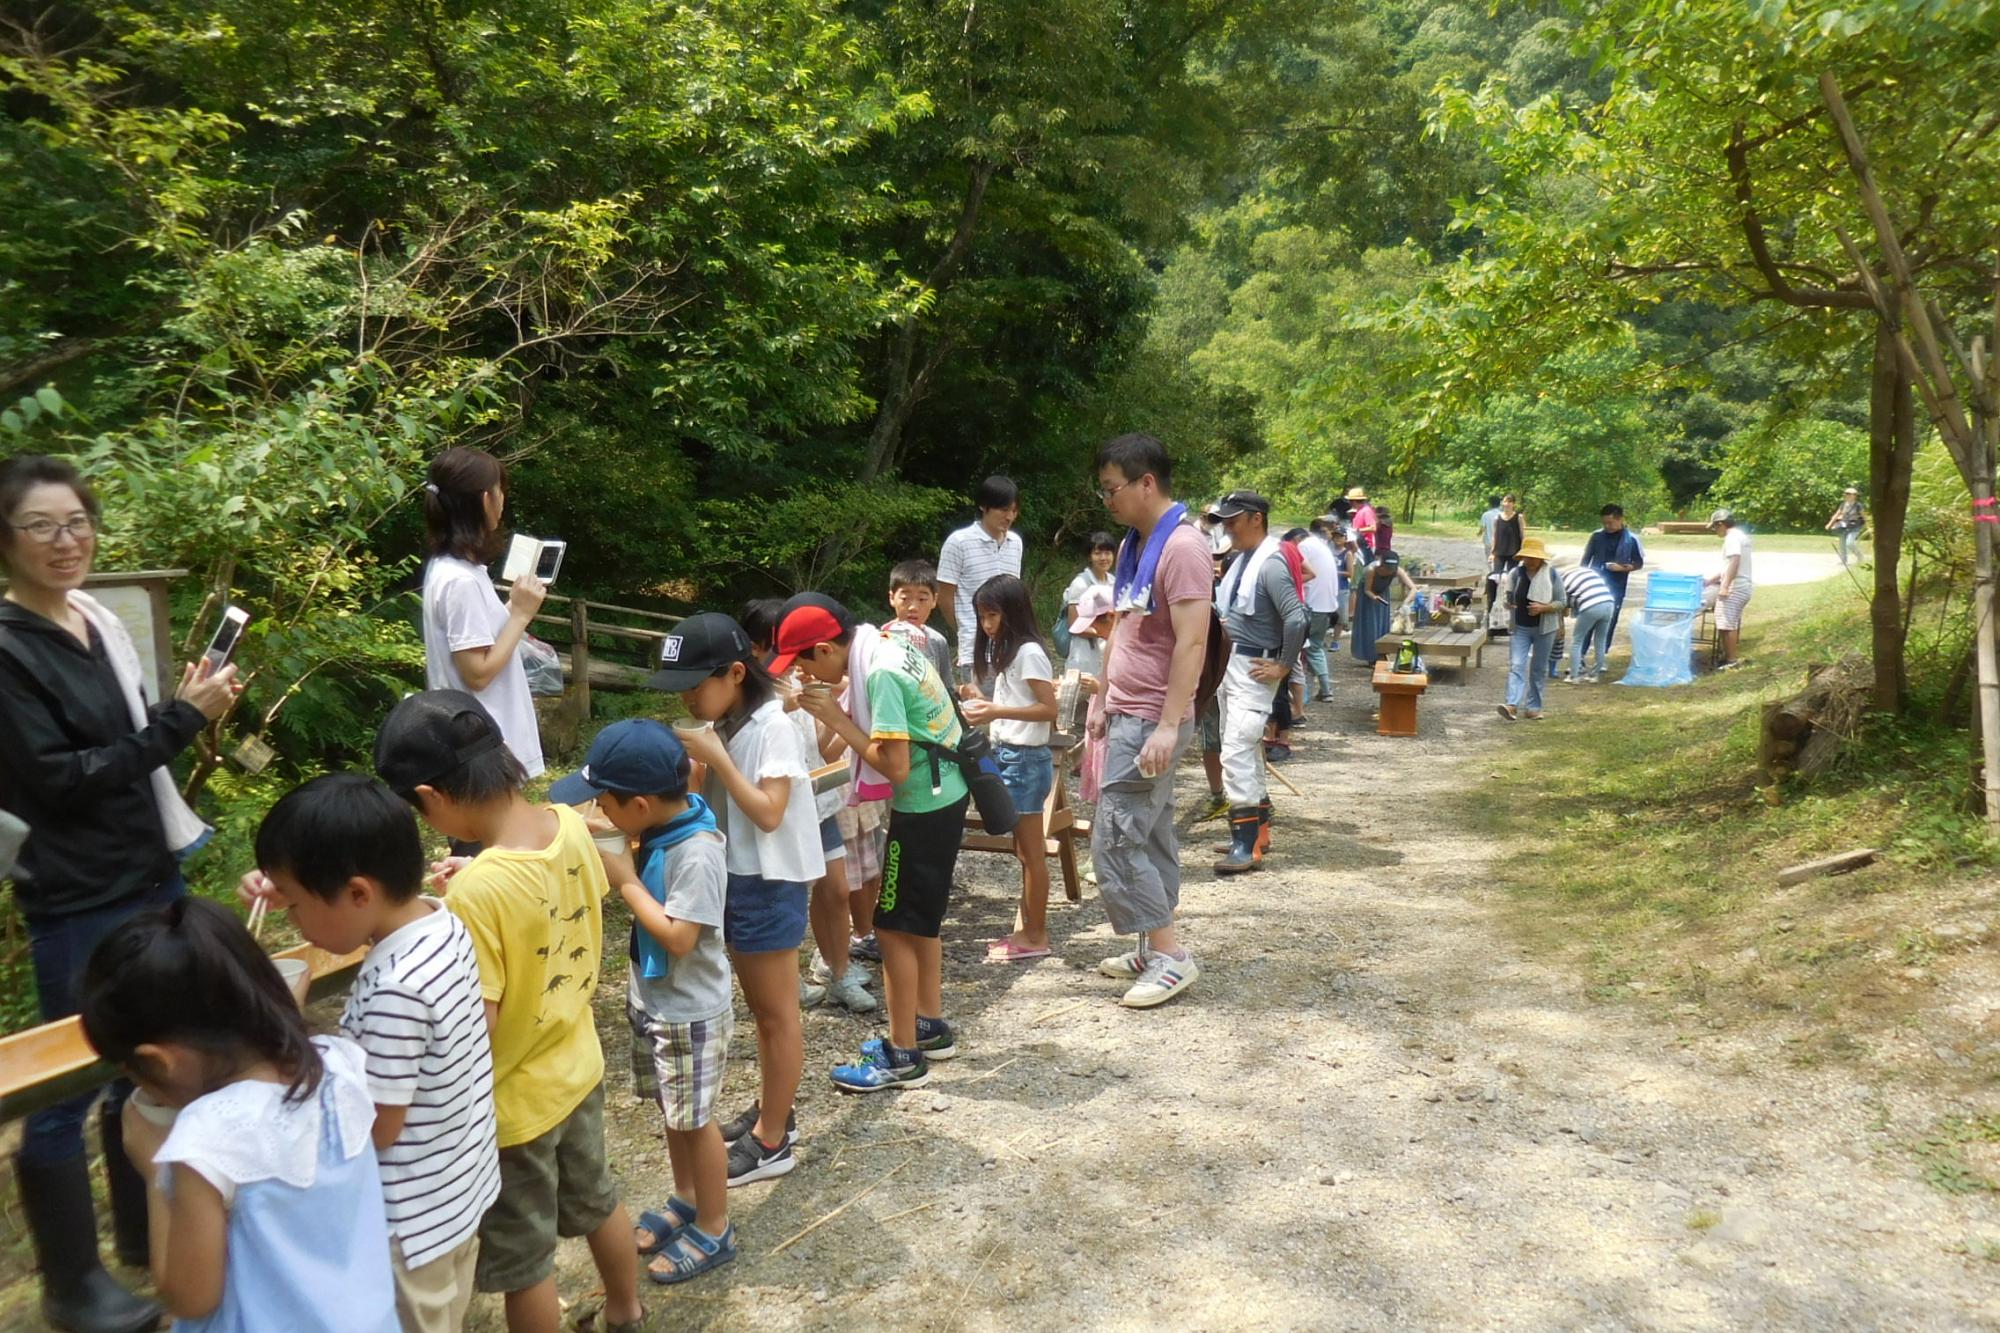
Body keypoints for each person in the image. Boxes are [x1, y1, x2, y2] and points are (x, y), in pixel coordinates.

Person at [0, 453, 240, 1333]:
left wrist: (182, 708)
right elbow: (60, 779)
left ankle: (149, 1235)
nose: (66, 542)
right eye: (41, 526)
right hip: (74, 893)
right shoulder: (8, 649)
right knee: (69, 1080)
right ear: (7, 540)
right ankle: (71, 1285)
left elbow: (129, 742)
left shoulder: (92, 620)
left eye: (77, 523)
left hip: (146, 872)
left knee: (151, 1059)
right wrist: (187, 720)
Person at [373, 691, 642, 1333]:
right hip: (578, 1066)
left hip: (514, 1106)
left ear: (433, 799)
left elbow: (482, 1022)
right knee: (599, 1201)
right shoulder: (568, 824)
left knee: (527, 1264)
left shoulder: (477, 890)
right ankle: (627, 1310)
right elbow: (544, 898)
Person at [245, 774, 499, 1331]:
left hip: (412, 1224)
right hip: (460, 1187)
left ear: (360, 893)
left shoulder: (394, 990)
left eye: (296, 905)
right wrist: (289, 881)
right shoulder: (442, 920)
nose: (294, 921)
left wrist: (290, 1039)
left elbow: (376, 1125)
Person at [81, 898, 399, 1333]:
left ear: (158, 1060)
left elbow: (189, 1297)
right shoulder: (339, 1066)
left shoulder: (207, 1138)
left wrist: (158, 1171)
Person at [549, 721, 738, 1285]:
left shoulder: (697, 851)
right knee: (672, 1111)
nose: (599, 811)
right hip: (654, 1002)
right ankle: (686, 1197)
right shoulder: (663, 823)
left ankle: (714, 1224)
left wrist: (626, 881)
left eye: (604, 803)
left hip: (688, 1011)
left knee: (696, 1121)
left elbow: (679, 939)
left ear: (638, 804)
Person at [649, 613, 821, 1184]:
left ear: (736, 674)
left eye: (696, 685)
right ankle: (774, 1113)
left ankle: (773, 1142)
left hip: (769, 882)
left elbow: (770, 813)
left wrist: (715, 757)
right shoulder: (730, 721)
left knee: (776, 1017)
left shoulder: (770, 725)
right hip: (740, 876)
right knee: (763, 1013)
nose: (690, 698)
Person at [773, 594, 972, 1088]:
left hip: (923, 802)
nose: (804, 673)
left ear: (825, 648)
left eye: (803, 662)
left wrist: (837, 720)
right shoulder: (880, 644)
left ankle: (902, 1053)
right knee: (920, 922)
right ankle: (930, 1024)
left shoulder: (878, 673)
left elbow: (894, 765)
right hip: (946, 790)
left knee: (891, 928)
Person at [1089, 434, 1211, 1006]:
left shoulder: (1182, 547)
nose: (1106, 499)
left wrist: (1167, 725)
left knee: (1115, 836)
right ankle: (1152, 941)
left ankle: (1171, 955)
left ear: (1146, 483)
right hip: (1127, 708)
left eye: (1112, 488)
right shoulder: (1136, 543)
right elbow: (1126, 625)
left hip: (1151, 717)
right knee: (1151, 829)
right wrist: (1101, 696)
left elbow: (1192, 643)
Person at [738, 599, 874, 1015]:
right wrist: (785, 704)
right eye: (770, 648)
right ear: (754, 648)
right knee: (788, 892)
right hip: (780, 809)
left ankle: (839, 972)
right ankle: (786, 975)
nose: (788, 661)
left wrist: (838, 715)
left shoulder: (796, 681)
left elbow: (818, 747)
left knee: (836, 888)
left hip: (818, 801)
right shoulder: (744, 688)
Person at [419, 446, 546, 780]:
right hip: (483, 755)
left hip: (479, 750)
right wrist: (520, 615)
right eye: (499, 490)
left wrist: (513, 607)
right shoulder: (460, 580)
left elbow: (479, 639)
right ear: (483, 499)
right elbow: (476, 672)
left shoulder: (454, 568)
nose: (503, 499)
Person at [963, 575, 1058, 962]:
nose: (987, 625)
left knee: (1032, 854)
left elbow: (1048, 710)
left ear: (1012, 611)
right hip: (1009, 754)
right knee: (1023, 852)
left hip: (1025, 759)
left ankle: (1035, 936)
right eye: (982, 616)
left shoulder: (1029, 652)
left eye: (993, 615)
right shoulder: (1009, 651)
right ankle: (1026, 931)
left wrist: (996, 710)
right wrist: (982, 700)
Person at [935, 475, 1024, 679]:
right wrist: (964, 629)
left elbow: (1013, 595)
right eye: (1003, 509)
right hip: (976, 653)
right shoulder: (958, 542)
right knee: (981, 708)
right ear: (984, 506)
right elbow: (945, 596)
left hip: (1011, 649)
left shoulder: (1015, 543)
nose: (1009, 516)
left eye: (1014, 510)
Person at [1498, 537, 1565, 721]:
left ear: (1541, 558)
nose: (1529, 561)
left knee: (1538, 668)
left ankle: (1534, 707)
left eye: (1533, 557)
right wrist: (1508, 604)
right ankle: (1511, 705)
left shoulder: (1551, 574)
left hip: (1545, 628)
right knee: (1517, 665)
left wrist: (1544, 608)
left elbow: (1563, 602)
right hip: (1520, 626)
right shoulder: (1515, 574)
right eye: (1526, 557)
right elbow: (1508, 596)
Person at [1580, 503, 1645, 640]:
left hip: (1617, 586)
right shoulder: (1596, 536)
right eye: (1604, 523)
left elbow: (1638, 563)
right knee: (1589, 619)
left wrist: (1622, 568)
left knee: (1610, 621)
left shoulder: (1631, 539)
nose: (1607, 526)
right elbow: (1585, 561)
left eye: (1610, 522)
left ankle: (1602, 655)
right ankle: (1581, 654)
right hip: (1594, 585)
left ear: (1620, 519)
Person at [886, 559, 955, 687]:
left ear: (934, 600)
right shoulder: (881, 637)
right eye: (905, 599)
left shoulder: (937, 641)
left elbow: (947, 687)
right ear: (892, 598)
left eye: (922, 599)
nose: (913, 607)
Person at [1349, 544, 1414, 666]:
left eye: (1391, 570)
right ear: (1381, 565)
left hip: (1382, 594)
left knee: (1382, 624)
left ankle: (1382, 653)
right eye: (1386, 569)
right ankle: (1371, 656)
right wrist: (1374, 597)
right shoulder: (1371, 570)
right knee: (1370, 625)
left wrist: (1405, 603)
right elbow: (1367, 589)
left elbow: (1413, 589)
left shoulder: (1397, 570)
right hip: (1368, 597)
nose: (1389, 572)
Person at [1706, 508, 1754, 670]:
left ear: (1721, 524)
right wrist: (1712, 580)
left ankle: (1731, 660)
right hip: (1742, 584)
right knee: (1725, 621)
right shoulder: (1740, 536)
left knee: (1727, 624)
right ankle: (1726, 656)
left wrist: (1725, 586)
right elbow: (1728, 566)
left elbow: (1735, 562)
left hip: (1736, 585)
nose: (1715, 531)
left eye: (1715, 527)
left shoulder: (1732, 538)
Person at [1299, 519, 1342, 702]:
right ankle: (1321, 689)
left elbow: (1294, 571)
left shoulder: (1305, 546)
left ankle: (1323, 691)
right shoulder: (1323, 548)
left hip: (1312, 605)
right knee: (1315, 646)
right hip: (1327, 605)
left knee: (1310, 648)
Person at [1555, 562, 1617, 683]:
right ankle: (1594, 675)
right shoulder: (1589, 573)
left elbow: (1565, 604)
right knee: (1600, 640)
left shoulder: (1562, 581)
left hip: (1591, 605)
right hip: (1609, 603)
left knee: (1577, 640)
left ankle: (1574, 676)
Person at [1488, 494, 1524, 613]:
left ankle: (1511, 602)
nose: (1507, 504)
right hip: (1499, 551)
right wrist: (1492, 553)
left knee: (1511, 577)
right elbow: (1494, 536)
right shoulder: (1497, 518)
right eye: (1505, 502)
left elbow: (1522, 535)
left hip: (1514, 551)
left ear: (1513, 504)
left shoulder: (1518, 517)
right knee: (1496, 577)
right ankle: (1493, 602)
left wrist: (1524, 551)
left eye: (1509, 502)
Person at [1063, 532, 1118, 608]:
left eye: (1107, 553)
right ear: (1089, 557)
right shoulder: (1080, 584)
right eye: (1097, 553)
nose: (1103, 558)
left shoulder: (1113, 582)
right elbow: (1073, 620)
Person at [1826, 485, 1867, 568]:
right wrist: (1829, 524)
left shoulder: (1858, 505)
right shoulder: (1843, 504)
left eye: (1849, 494)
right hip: (1844, 526)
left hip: (1855, 526)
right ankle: (1843, 560)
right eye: (1846, 493)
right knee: (1842, 543)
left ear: (1854, 496)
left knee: (1849, 543)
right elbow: (1837, 514)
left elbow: (1864, 516)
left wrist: (1869, 526)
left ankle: (1860, 556)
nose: (1846, 495)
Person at [1346, 486, 1378, 555]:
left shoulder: (1366, 511)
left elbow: (1373, 528)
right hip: (1358, 544)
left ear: (1355, 501)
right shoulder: (1358, 510)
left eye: (1351, 501)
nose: (1349, 503)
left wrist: (1356, 530)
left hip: (1366, 546)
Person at [1478, 495, 1503, 566]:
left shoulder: (1485, 515)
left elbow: (1483, 528)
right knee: (1499, 560)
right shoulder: (1502, 514)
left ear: (1490, 504)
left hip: (1488, 541)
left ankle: (1491, 573)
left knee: (1489, 560)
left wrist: (1479, 533)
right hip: (1500, 542)